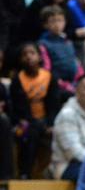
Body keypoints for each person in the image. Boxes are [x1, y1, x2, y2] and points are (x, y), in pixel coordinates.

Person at [9, 42, 61, 180]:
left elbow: (54, 104)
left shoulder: (49, 77)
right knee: (28, 132)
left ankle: (53, 173)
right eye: (24, 54)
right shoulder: (18, 80)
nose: (28, 57)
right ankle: (25, 173)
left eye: (32, 53)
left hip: (46, 120)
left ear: (39, 57)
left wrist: (50, 123)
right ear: (20, 59)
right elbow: (18, 109)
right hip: (24, 122)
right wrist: (34, 123)